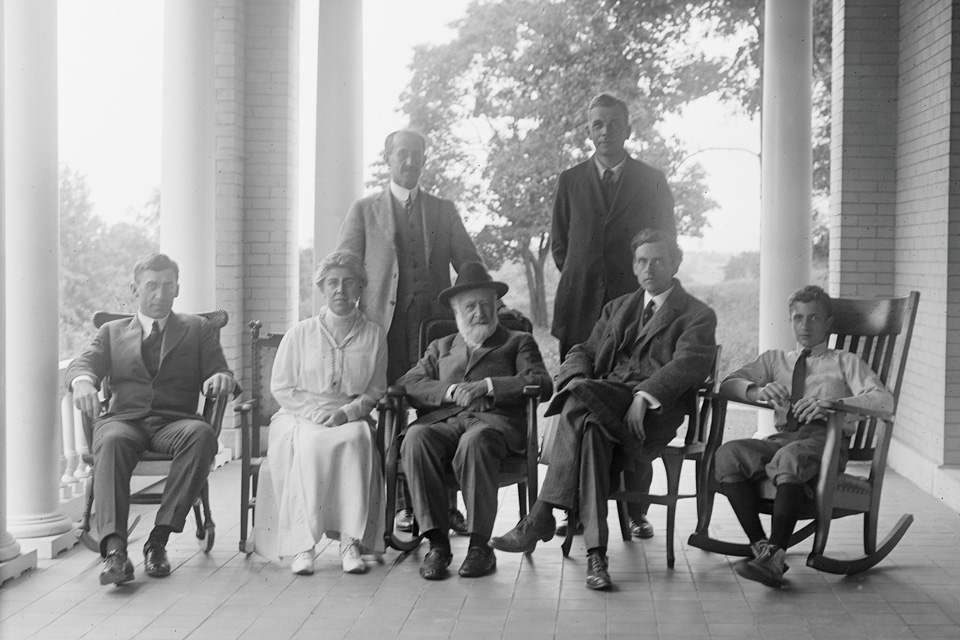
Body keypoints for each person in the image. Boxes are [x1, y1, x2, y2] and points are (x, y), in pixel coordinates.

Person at [490, 229, 716, 591]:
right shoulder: (618, 307)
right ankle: (597, 556)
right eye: (641, 261)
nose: (648, 269)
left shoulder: (696, 315)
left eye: (658, 260)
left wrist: (644, 396)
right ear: (633, 265)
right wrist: (576, 375)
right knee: (590, 429)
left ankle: (541, 516)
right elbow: (584, 350)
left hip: (649, 417)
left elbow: (688, 364)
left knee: (579, 400)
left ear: (675, 263)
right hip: (602, 403)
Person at [336, 128, 483, 535]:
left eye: (417, 155)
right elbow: (344, 271)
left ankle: (446, 506)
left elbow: (469, 263)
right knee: (393, 414)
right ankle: (403, 505)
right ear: (388, 158)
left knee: (444, 412)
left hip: (436, 334)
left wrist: (490, 309)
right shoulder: (364, 211)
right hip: (385, 332)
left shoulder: (443, 210)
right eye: (402, 154)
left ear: (424, 160)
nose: (409, 161)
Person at [67, 253, 236, 586]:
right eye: (152, 286)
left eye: (168, 287)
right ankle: (115, 552)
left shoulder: (197, 329)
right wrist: (82, 381)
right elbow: (82, 364)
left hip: (174, 423)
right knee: (111, 441)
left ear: (177, 289)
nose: (160, 295)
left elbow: (221, 370)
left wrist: (220, 378)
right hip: (123, 422)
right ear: (135, 289)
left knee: (201, 435)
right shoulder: (112, 331)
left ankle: (157, 540)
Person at [550, 92, 676, 539]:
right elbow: (561, 248)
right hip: (581, 311)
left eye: (614, 123)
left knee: (633, 396)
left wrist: (632, 296)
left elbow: (665, 239)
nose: (606, 131)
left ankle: (636, 506)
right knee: (579, 400)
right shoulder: (569, 181)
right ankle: (572, 507)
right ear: (588, 130)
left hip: (635, 312)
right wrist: (589, 281)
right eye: (597, 124)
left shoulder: (651, 180)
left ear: (628, 128)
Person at [713, 285, 893, 588]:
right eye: (797, 318)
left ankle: (775, 552)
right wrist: (756, 390)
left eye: (813, 318)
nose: (804, 325)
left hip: (827, 440)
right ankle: (764, 548)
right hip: (786, 440)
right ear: (790, 321)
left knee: (789, 457)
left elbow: (883, 400)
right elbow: (729, 383)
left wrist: (833, 404)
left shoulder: (844, 362)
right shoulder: (775, 360)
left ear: (828, 323)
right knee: (728, 454)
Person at [397, 262, 553, 581]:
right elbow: (409, 383)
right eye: (470, 306)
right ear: (456, 311)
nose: (479, 312)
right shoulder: (440, 347)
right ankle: (438, 544)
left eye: (485, 304)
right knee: (415, 437)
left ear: (496, 305)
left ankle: (480, 547)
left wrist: (489, 386)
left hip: (494, 424)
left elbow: (541, 381)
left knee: (475, 440)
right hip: (446, 422)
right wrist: (451, 390)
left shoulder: (517, 341)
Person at [253, 250, 386, 576]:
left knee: (356, 440)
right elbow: (281, 387)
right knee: (311, 444)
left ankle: (349, 543)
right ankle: (303, 546)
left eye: (349, 282)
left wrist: (348, 412)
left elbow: (376, 389)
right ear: (322, 289)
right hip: (300, 414)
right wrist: (313, 412)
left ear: (360, 289)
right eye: (332, 283)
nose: (340, 290)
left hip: (348, 415)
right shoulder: (301, 332)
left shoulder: (374, 335)